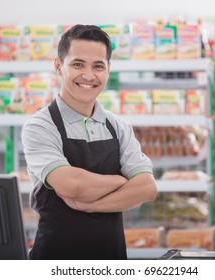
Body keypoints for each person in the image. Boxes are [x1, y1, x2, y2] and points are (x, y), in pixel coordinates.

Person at [21, 24, 157, 260]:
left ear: (108, 70)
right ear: (58, 66)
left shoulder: (118, 127)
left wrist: (89, 205)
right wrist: (121, 180)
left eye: (98, 66)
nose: (88, 75)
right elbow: (72, 186)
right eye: (77, 64)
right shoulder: (40, 126)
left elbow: (147, 188)